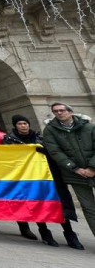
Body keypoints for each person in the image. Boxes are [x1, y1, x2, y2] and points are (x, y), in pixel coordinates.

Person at [5, 114, 84, 249]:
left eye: (25, 123)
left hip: (50, 175)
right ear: (15, 126)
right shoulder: (9, 140)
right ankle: (45, 232)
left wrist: (45, 151)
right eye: (19, 124)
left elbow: (55, 151)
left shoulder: (41, 137)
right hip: (29, 178)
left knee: (59, 203)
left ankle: (70, 234)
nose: (23, 126)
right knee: (37, 203)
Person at [43, 102, 95, 240]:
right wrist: (75, 168)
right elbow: (55, 151)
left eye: (62, 110)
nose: (59, 113)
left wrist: (92, 167)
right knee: (89, 209)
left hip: (93, 169)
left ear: (70, 112)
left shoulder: (89, 126)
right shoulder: (50, 130)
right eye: (55, 111)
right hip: (75, 175)